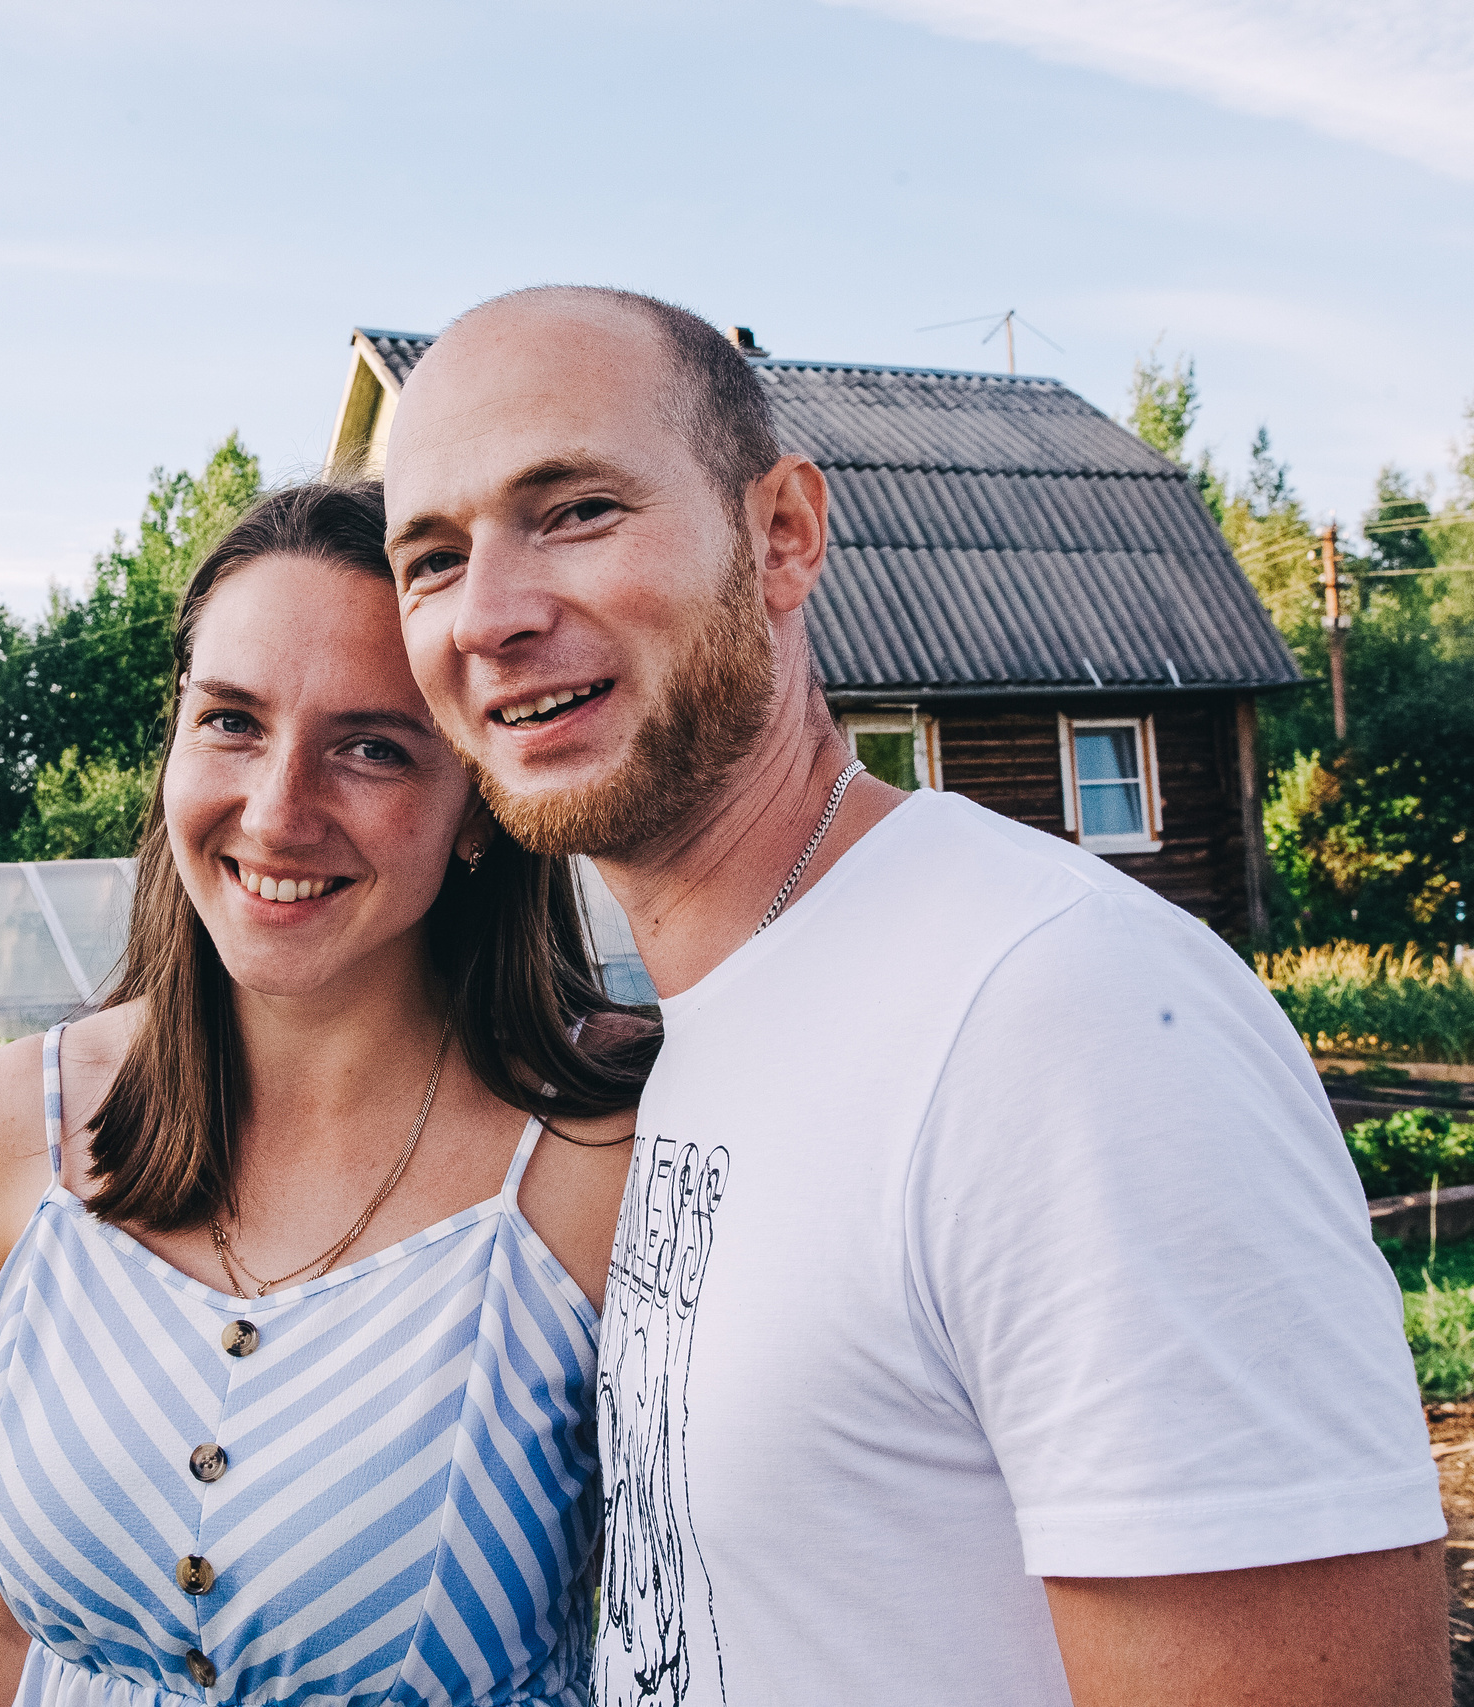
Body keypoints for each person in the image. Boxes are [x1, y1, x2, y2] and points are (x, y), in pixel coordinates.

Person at [376, 284, 1449, 1706]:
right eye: (432, 558)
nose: (492, 616)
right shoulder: (702, 1019)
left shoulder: (1063, 1014)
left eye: (574, 509)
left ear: (783, 535)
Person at [0, 482, 660, 1706]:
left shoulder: (611, 1157)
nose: (276, 815)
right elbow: (13, 1627)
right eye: (230, 720)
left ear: (478, 802)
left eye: (372, 746)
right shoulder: (21, 1125)